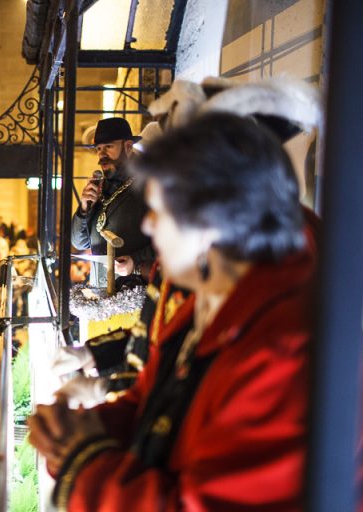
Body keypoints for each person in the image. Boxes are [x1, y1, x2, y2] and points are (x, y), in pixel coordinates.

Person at [29, 113, 315, 511]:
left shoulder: (284, 349)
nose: (149, 224)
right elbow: (158, 393)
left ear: (209, 218)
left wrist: (84, 458)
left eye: (160, 209)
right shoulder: (213, 296)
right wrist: (85, 430)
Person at [70, 117, 152, 285]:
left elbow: (169, 236)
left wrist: (135, 261)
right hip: (102, 291)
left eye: (109, 146)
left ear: (128, 147)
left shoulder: (147, 183)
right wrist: (84, 208)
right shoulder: (99, 187)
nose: (102, 154)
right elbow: (79, 242)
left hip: (136, 290)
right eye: (99, 148)